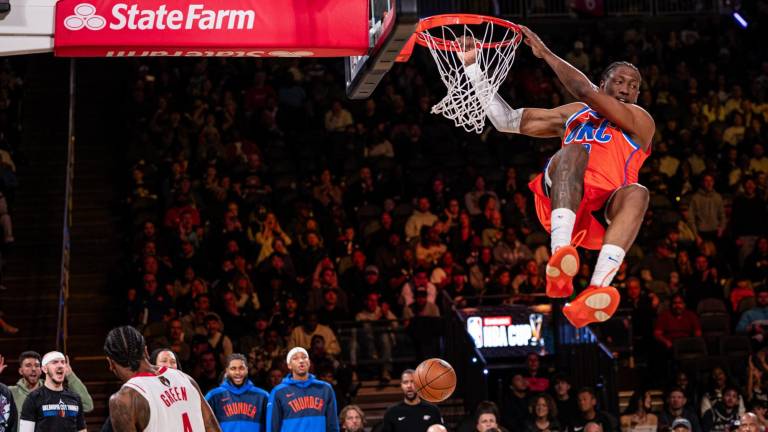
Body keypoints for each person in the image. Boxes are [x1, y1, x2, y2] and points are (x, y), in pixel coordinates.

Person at [464, 26, 654, 327]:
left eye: (633, 85)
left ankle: (596, 289)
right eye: (619, 80)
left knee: (639, 192)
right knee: (576, 151)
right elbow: (505, 120)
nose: (627, 88)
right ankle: (559, 258)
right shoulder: (576, 114)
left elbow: (584, 89)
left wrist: (545, 54)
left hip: (599, 214)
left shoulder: (641, 120)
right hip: (563, 196)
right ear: (603, 82)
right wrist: (473, 66)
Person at [103, 326, 221, 431]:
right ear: (145, 350)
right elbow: (211, 426)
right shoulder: (185, 378)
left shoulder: (123, 399)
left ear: (111, 363)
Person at [8, 351, 92, 424]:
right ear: (20, 371)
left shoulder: (55, 391)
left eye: (37, 365)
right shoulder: (10, 392)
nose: (33, 369)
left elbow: (87, 406)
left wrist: (70, 375)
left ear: (42, 369)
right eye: (28, 365)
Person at [267, 347, 339, 432]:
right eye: (295, 358)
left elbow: (333, 425)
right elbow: (272, 427)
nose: (301, 361)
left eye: (304, 357)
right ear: (289, 365)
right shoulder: (278, 392)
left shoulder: (325, 389)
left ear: (309, 363)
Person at [205, 354, 269, 432]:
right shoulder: (213, 396)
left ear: (247, 370)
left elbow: (271, 425)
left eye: (241, 368)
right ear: (227, 371)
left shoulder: (263, 396)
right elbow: (204, 425)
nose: (238, 372)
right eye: (233, 369)